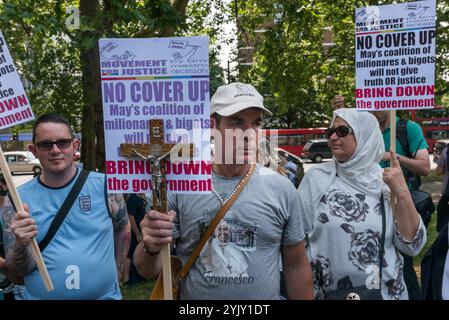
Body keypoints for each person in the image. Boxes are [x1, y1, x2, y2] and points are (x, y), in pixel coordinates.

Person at [134, 82, 313, 299]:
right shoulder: (182, 188)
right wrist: (151, 245)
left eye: (256, 123)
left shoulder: (282, 189)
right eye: (236, 122)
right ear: (212, 127)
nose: (249, 133)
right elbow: (147, 270)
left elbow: (296, 266)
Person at [298, 108, 426, 299]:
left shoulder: (386, 182)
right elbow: (296, 238)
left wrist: (401, 190)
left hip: (384, 293)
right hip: (328, 293)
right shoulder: (316, 179)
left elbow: (412, 246)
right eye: (330, 131)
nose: (333, 136)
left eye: (342, 131)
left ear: (364, 134)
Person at [1, 113, 130, 299]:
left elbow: (123, 227)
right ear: (33, 150)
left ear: (75, 145)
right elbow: (19, 270)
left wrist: (117, 270)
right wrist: (21, 245)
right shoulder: (17, 199)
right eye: (45, 144)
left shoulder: (106, 187)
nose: (55, 150)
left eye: (63, 142)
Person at [332, 96, 431, 300]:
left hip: (399, 203)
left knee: (401, 264)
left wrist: (393, 159)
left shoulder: (408, 129)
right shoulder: (365, 126)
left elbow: (425, 167)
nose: (371, 111)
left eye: (376, 107)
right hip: (368, 205)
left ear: (389, 105)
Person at [436, 146, 449, 232]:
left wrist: (437, 159)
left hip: (448, 193)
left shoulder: (446, 151)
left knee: (444, 221)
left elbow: (439, 172)